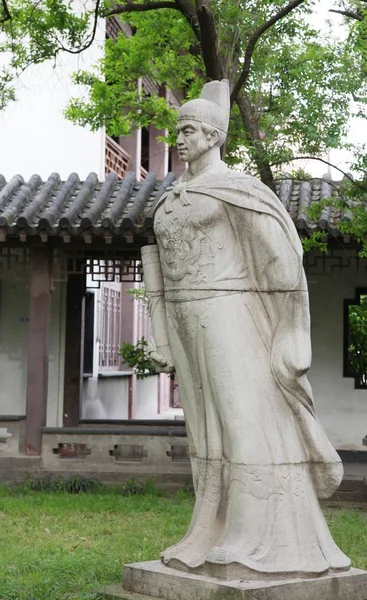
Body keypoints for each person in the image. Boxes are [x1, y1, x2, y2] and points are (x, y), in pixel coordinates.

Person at [141, 80, 351, 580]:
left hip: (232, 315)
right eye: (178, 131)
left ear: (214, 136)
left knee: (243, 420)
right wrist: (160, 330)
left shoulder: (239, 190)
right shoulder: (174, 196)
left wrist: (293, 329)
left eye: (189, 130)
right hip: (188, 320)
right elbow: (161, 272)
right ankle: (210, 528)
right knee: (206, 429)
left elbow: (281, 261)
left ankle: (262, 538)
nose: (180, 139)